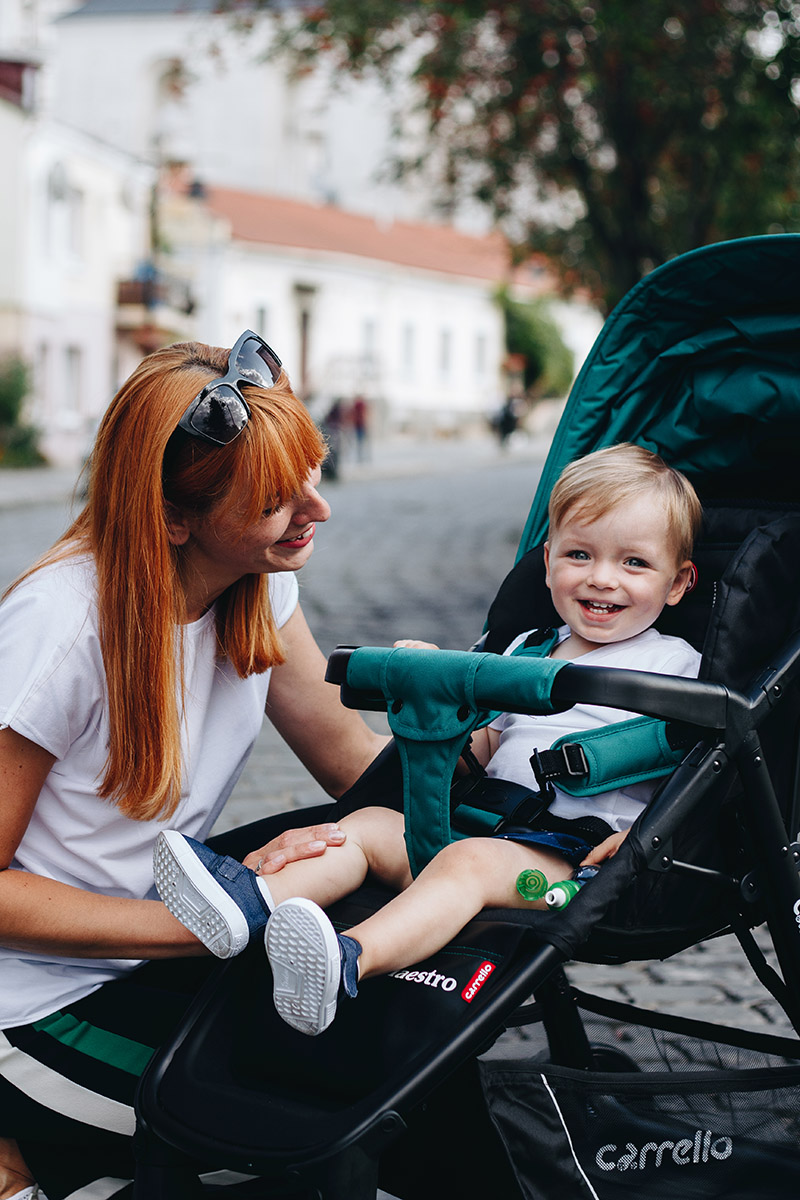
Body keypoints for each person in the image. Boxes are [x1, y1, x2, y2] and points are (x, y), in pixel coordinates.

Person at [0, 331, 389, 1200]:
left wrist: (488, 752)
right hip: (27, 1004)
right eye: (275, 500)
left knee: (364, 877)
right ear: (174, 518)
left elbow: (355, 764)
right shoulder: (60, 627)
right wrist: (211, 927)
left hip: (154, 954)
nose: (317, 511)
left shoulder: (256, 581)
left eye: (312, 475)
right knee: (301, 1120)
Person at [156, 443, 702, 1038]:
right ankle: (250, 905)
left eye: (634, 565)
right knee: (365, 826)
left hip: (567, 865)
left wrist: (643, 839)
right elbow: (485, 749)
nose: (602, 578)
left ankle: (344, 961)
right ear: (546, 562)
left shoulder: (675, 666)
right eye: (579, 554)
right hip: (479, 830)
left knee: (466, 863)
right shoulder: (528, 650)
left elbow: (703, 771)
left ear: (678, 583)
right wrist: (435, 706)